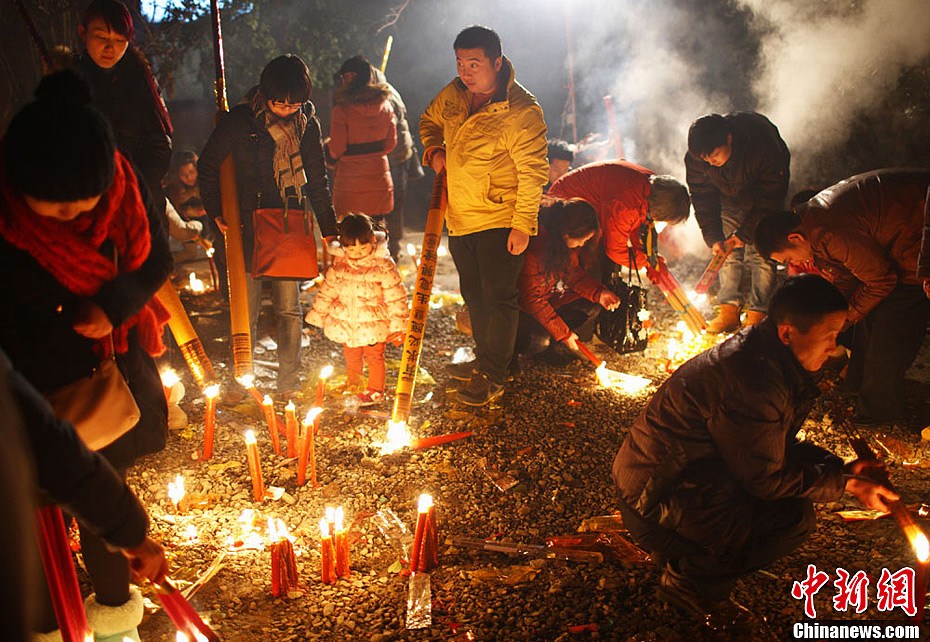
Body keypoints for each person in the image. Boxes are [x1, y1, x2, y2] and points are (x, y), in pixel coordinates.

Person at [612, 275, 897, 631]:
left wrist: (841, 469)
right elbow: (765, 478)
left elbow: (767, 444)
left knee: (786, 501)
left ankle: (685, 550)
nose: (834, 347)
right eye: (829, 335)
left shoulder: (766, 356)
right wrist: (847, 486)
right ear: (788, 333)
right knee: (792, 520)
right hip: (654, 499)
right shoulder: (754, 381)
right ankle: (691, 581)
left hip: (671, 481)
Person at [0, 70, 172, 642]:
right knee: (30, 516)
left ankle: (115, 614)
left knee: (103, 484)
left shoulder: (127, 183)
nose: (74, 218)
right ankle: (48, 625)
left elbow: (155, 260)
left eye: (84, 205)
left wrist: (114, 305)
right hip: (27, 378)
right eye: (55, 210)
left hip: (105, 375)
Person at [1, 350, 168, 642]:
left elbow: (50, 445)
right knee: (38, 540)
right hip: (69, 386)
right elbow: (49, 445)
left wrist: (128, 532)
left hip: (82, 388)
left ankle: (113, 631)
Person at [421, 24, 548, 406]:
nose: (465, 71)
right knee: (473, 296)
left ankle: (492, 376)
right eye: (460, 62)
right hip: (460, 217)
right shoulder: (455, 94)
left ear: (497, 62)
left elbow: (533, 172)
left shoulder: (522, 111)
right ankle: (494, 362)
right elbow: (429, 121)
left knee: (499, 298)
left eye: (474, 63)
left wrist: (523, 224)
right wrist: (434, 150)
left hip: (500, 217)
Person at [199, 54, 338, 396]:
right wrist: (216, 211)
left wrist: (329, 227)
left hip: (290, 223)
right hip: (247, 225)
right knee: (245, 308)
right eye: (280, 103)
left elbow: (317, 180)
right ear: (265, 92)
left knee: (289, 309)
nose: (287, 110)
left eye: (295, 104)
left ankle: (288, 382)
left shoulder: (308, 125)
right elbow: (207, 165)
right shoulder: (241, 121)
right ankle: (241, 380)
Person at [754, 169, 930, 426]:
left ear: (794, 237)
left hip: (913, 252)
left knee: (889, 334)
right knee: (869, 319)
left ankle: (877, 414)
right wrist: (830, 316)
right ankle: (856, 387)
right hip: (898, 252)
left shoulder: (827, 230)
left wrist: (844, 320)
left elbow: (882, 280)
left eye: (790, 258)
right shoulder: (812, 221)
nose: (795, 263)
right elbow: (850, 274)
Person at [685, 112, 790, 333]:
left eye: (714, 155)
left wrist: (744, 235)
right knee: (725, 251)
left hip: (763, 194)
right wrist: (713, 237)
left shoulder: (762, 145)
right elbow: (702, 198)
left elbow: (771, 198)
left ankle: (758, 314)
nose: (710, 162)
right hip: (729, 197)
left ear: (729, 139)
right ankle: (728, 310)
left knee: (760, 252)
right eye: (705, 159)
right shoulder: (698, 158)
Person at [74, 0, 172, 207]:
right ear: (83, 33)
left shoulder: (141, 81)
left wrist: (129, 187)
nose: (110, 48)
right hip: (87, 204)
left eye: (119, 39)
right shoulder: (68, 82)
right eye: (101, 37)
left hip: (138, 203)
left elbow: (160, 146)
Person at [305, 214, 407, 405]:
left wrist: (398, 325)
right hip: (348, 322)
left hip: (374, 323)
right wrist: (318, 314)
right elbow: (328, 290)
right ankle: (355, 384)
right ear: (343, 246)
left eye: (363, 246)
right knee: (351, 355)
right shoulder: (340, 265)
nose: (358, 251)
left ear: (373, 240)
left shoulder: (383, 265)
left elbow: (396, 296)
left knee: (374, 356)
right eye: (351, 248)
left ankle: (376, 390)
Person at [516, 198, 619, 366]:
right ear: (566, 234)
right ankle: (517, 356)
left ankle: (554, 343)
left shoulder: (561, 244)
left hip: (547, 299)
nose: (582, 244)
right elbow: (531, 300)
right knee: (537, 340)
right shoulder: (534, 248)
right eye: (582, 240)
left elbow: (572, 274)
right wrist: (564, 334)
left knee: (590, 306)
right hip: (520, 310)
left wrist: (599, 293)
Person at [547, 160, 691, 279]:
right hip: (566, 208)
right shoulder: (625, 205)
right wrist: (646, 262)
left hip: (584, 203)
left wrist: (650, 257)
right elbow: (615, 249)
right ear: (656, 211)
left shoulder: (650, 186)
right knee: (589, 267)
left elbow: (638, 224)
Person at [328, 56, 397, 223]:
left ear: (350, 77)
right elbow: (391, 144)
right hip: (378, 178)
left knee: (350, 237)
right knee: (377, 235)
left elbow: (336, 148)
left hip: (349, 183)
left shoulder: (342, 109)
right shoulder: (385, 105)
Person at [373, 64, 418, 262]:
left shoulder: (383, 98)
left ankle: (391, 248)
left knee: (391, 205)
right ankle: (390, 247)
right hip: (398, 156)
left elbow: (391, 132)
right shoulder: (390, 91)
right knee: (392, 205)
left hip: (394, 158)